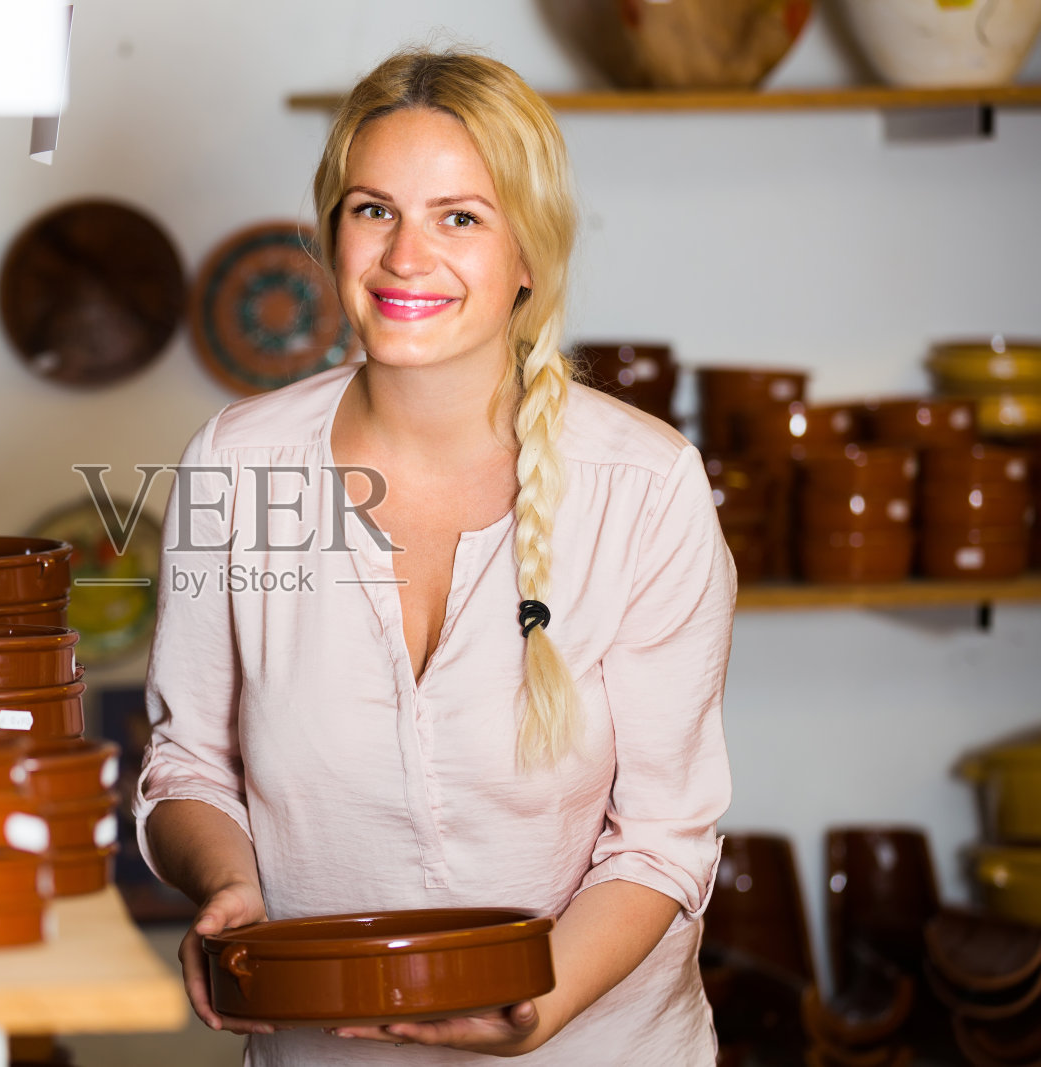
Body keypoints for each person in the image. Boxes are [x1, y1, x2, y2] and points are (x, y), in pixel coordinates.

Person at [134, 47, 735, 1064]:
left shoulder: (646, 483)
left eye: (459, 216)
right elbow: (186, 764)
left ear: (528, 254)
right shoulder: (238, 463)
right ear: (330, 236)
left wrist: (531, 1011)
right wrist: (226, 884)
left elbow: (664, 838)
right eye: (374, 210)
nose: (406, 257)